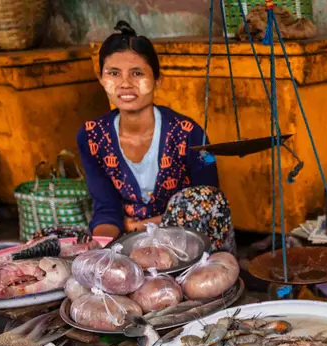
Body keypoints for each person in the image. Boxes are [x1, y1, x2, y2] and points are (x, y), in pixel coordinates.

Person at [77, 21, 235, 252]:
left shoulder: (189, 133)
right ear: (101, 78)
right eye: (113, 73)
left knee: (204, 200)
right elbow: (106, 209)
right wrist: (100, 251)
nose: (125, 84)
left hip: (189, 242)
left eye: (137, 73)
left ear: (157, 80)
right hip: (128, 243)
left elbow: (208, 204)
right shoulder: (91, 137)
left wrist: (140, 226)